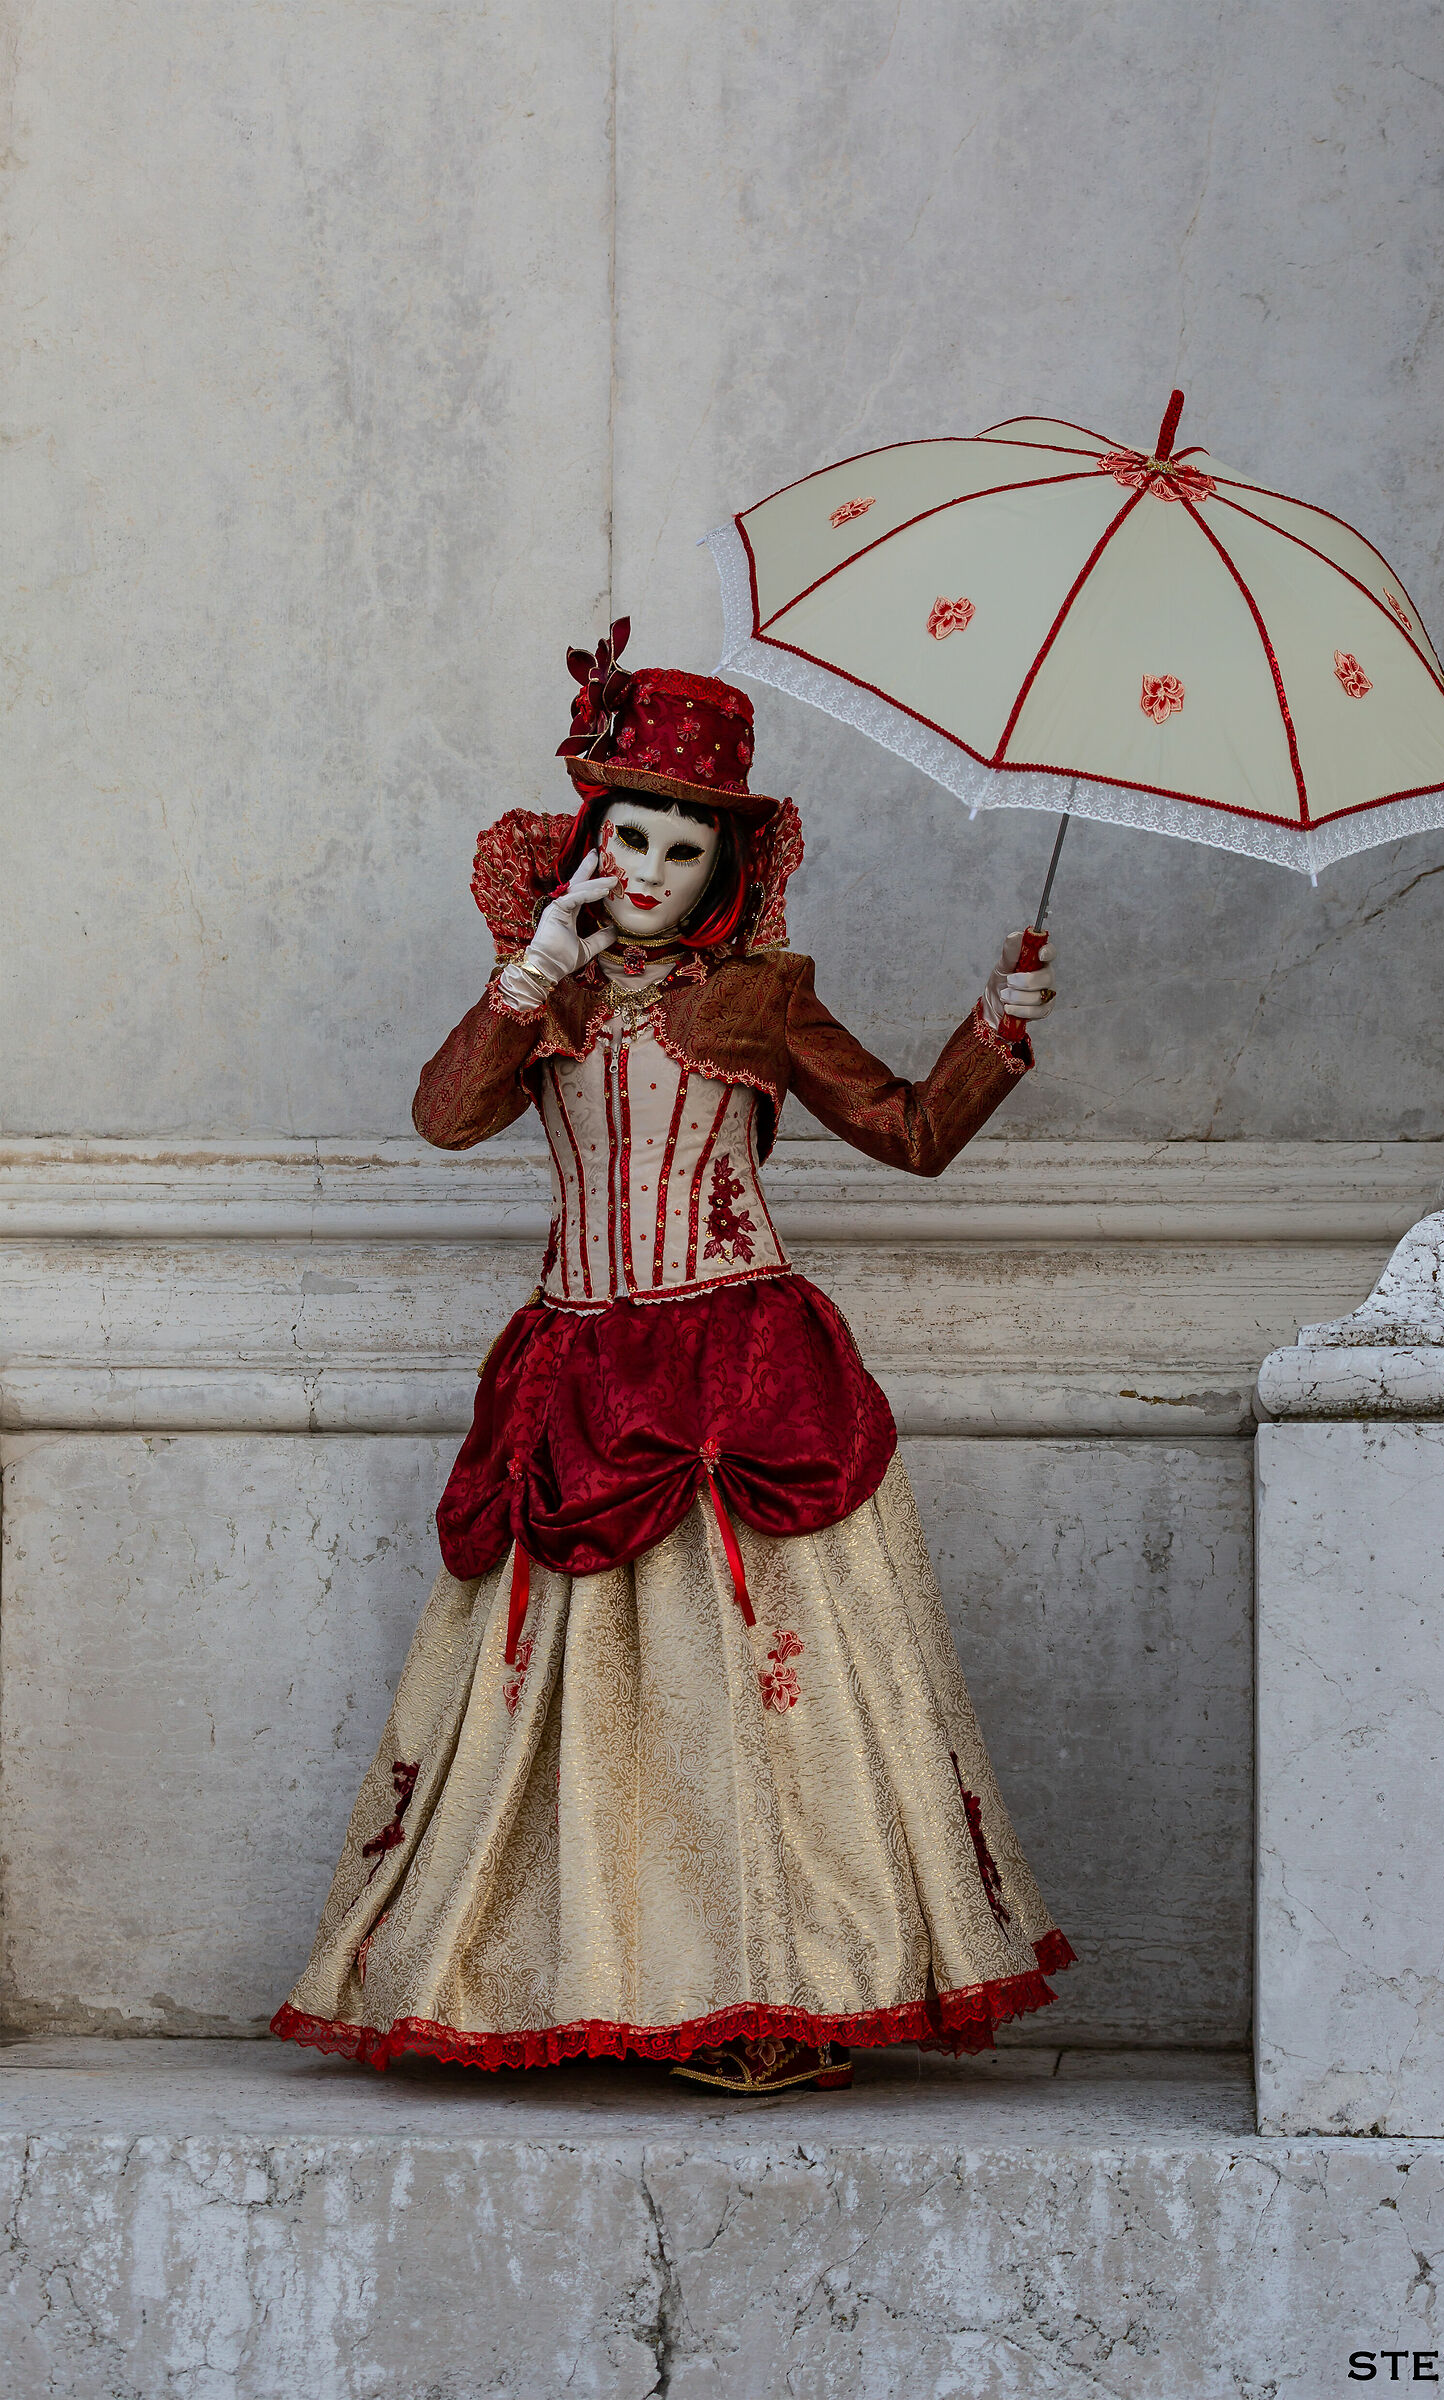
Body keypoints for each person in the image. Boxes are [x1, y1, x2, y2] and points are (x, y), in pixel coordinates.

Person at [272, 623, 1072, 2094]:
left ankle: (771, 1988)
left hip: (743, 1364)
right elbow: (447, 1120)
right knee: (578, 1704)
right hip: (579, 1370)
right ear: (588, 840)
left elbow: (909, 1133)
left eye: (680, 848)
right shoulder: (553, 987)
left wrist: (991, 1032)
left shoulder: (760, 998)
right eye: (625, 836)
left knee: (752, 1697)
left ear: (727, 866)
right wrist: (531, 973)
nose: (645, 869)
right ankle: (564, 1975)